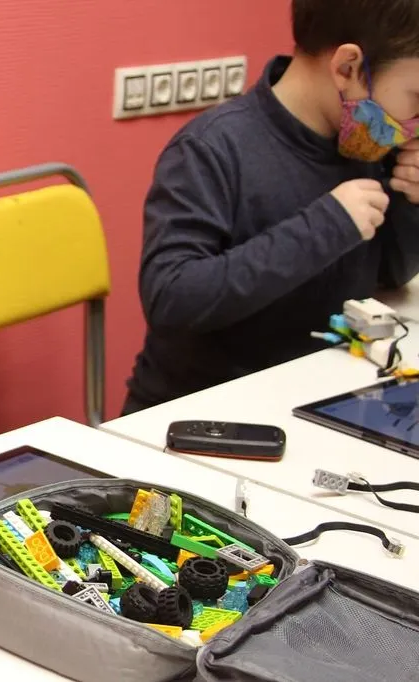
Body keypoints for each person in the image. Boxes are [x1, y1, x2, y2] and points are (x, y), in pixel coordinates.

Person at [123, 0, 419, 415]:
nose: (415, 121)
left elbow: (388, 272)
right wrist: (326, 225)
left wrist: (410, 200)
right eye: (416, 98)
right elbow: (171, 298)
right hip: (199, 417)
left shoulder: (362, 142)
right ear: (347, 68)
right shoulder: (211, 148)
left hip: (315, 398)